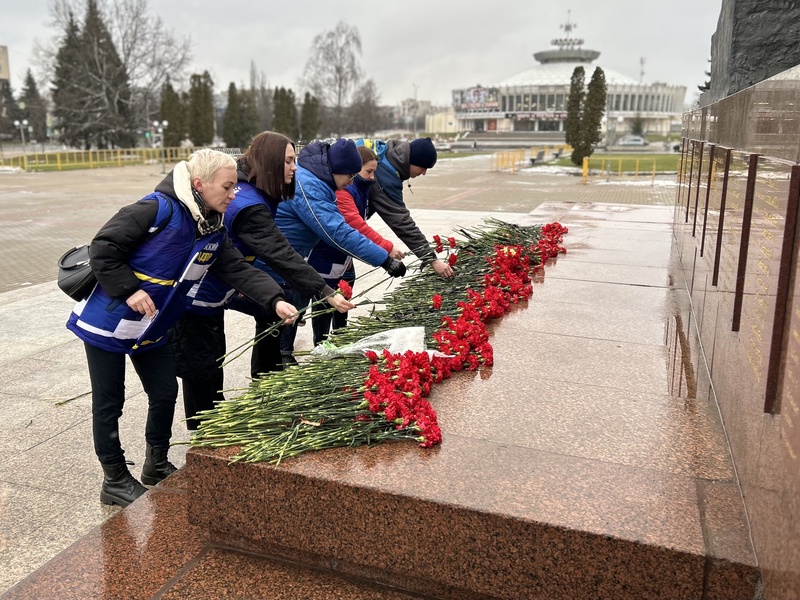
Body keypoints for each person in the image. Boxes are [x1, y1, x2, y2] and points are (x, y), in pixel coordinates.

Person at [67, 149, 298, 507]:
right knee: (109, 402)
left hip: (154, 326)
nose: (233, 194)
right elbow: (104, 246)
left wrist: (274, 300)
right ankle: (113, 478)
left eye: (235, 186)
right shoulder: (157, 209)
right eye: (227, 187)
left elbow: (237, 269)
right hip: (109, 323)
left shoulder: (212, 228)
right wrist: (129, 289)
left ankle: (155, 464)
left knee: (164, 392)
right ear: (199, 184)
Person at [168, 132, 355, 427]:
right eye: (289, 161)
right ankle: (206, 434)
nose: (294, 168)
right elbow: (281, 253)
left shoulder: (255, 189)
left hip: (229, 281)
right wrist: (325, 291)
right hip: (200, 292)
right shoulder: (248, 203)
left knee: (273, 310)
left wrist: (277, 297)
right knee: (205, 365)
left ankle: (267, 387)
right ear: (269, 162)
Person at [274, 138, 407, 364]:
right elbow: (339, 232)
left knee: (292, 308)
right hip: (281, 261)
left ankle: (281, 359)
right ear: (338, 170)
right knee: (287, 313)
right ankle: (280, 360)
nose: (351, 181)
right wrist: (383, 259)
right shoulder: (310, 186)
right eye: (351, 176)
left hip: (293, 258)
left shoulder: (321, 183)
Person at [307, 145, 404, 345]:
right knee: (323, 305)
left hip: (343, 259)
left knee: (342, 301)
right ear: (354, 168)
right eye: (368, 171)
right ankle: (319, 346)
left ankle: (340, 339)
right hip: (325, 258)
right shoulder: (343, 191)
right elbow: (355, 225)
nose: (372, 177)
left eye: (374, 172)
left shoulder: (361, 188)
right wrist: (386, 251)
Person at [356, 137, 454, 278]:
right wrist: (432, 260)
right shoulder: (385, 177)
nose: (424, 172)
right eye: (423, 167)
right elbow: (401, 222)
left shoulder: (389, 158)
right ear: (411, 161)